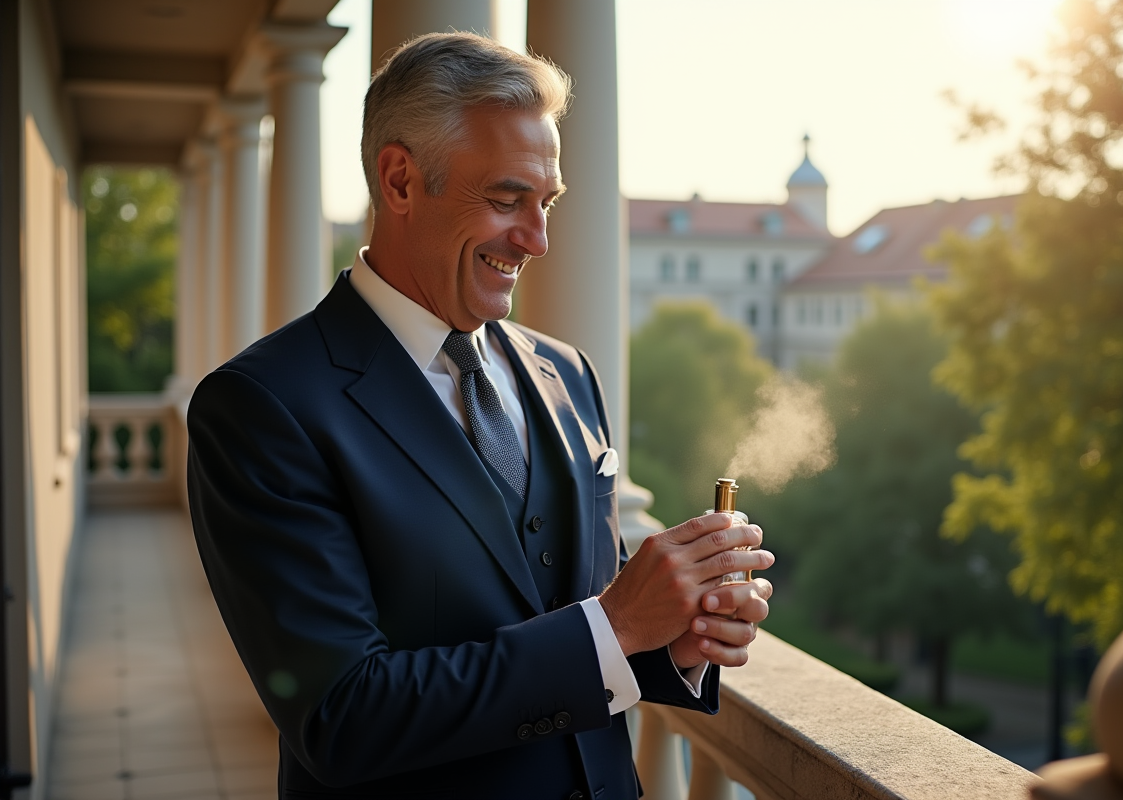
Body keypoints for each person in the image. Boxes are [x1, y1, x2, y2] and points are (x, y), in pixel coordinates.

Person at [187, 32, 773, 800]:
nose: (538, 239)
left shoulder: (566, 371)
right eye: (506, 200)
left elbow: (575, 612)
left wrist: (682, 638)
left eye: (547, 203)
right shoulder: (262, 407)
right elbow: (343, 716)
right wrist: (619, 625)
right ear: (399, 181)